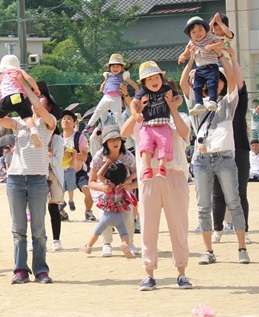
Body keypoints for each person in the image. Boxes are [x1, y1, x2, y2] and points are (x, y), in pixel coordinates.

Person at [180, 44, 250, 266]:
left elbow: (232, 79)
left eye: (219, 79)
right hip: (201, 159)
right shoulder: (196, 104)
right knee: (203, 206)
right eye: (211, 79)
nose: (215, 82)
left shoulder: (228, 102)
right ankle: (208, 251)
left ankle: (242, 248)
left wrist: (221, 55)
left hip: (225, 157)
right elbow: (182, 84)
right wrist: (191, 59)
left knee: (234, 202)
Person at [122, 85, 193, 290]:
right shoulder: (142, 120)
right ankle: (149, 273)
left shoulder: (178, 117)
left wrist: (172, 108)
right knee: (148, 227)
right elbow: (124, 132)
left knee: (179, 227)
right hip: (149, 177)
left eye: (164, 94)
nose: (158, 98)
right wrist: (138, 110)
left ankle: (181, 273)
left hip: (175, 175)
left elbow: (184, 132)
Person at [0, 79, 59, 285]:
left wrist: (24, 85)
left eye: (41, 99)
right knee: (18, 230)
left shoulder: (49, 122)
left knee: (38, 230)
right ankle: (20, 270)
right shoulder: (18, 122)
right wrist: (2, 93)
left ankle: (41, 270)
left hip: (38, 179)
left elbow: (38, 107)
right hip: (16, 179)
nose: (37, 100)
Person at [212, 47, 252, 244]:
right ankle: (217, 229)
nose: (217, 83)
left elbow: (238, 81)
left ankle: (243, 229)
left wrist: (233, 58)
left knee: (240, 192)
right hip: (218, 151)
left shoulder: (237, 100)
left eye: (221, 80)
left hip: (240, 150)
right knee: (218, 193)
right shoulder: (210, 103)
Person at [88, 125, 138, 259]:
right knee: (105, 217)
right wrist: (103, 188)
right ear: (105, 142)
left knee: (128, 217)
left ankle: (129, 243)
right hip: (104, 193)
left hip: (124, 192)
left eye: (117, 139)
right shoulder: (99, 157)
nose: (115, 142)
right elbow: (91, 182)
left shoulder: (128, 156)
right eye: (111, 140)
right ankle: (107, 244)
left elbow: (139, 177)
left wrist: (129, 183)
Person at [80, 160, 136, 259]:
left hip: (106, 216)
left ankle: (88, 246)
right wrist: (129, 178)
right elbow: (136, 174)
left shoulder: (107, 185)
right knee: (124, 234)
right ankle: (125, 244)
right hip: (119, 216)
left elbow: (99, 174)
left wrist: (106, 164)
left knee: (96, 232)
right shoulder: (123, 185)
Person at [0, 54, 40, 147]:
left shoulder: (1, 75)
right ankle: (34, 130)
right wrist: (36, 89)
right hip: (18, 97)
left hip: (6, 98)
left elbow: (1, 90)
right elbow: (29, 78)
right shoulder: (18, 71)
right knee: (27, 117)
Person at [131, 61, 174, 180]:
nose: (154, 81)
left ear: (161, 78)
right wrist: (135, 114)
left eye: (156, 77)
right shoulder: (143, 92)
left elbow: (179, 98)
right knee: (145, 145)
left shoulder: (167, 88)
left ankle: (162, 167)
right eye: (149, 79)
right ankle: (147, 169)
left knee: (165, 143)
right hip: (147, 126)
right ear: (144, 83)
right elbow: (133, 103)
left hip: (163, 125)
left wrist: (174, 104)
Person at [178, 16, 224, 115]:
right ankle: (199, 103)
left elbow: (222, 44)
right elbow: (186, 53)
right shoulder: (192, 42)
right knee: (197, 85)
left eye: (200, 30)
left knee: (212, 84)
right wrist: (182, 57)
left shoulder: (210, 37)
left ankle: (213, 101)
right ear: (190, 35)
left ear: (205, 29)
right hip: (199, 68)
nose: (197, 33)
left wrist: (212, 46)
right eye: (193, 32)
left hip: (211, 66)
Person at [84, 54, 139, 133]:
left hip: (116, 98)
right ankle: (89, 126)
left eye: (117, 66)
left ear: (122, 68)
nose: (115, 68)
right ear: (110, 67)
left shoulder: (123, 76)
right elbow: (104, 83)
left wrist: (137, 89)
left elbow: (132, 82)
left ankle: (123, 131)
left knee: (118, 116)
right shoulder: (107, 75)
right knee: (97, 111)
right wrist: (102, 86)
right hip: (106, 96)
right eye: (113, 66)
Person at [47, 129, 65, 250]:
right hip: (37, 174)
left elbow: (58, 163)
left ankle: (56, 239)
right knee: (36, 208)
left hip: (54, 175)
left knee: (53, 206)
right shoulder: (34, 135)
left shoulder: (57, 140)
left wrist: (49, 155)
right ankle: (36, 239)